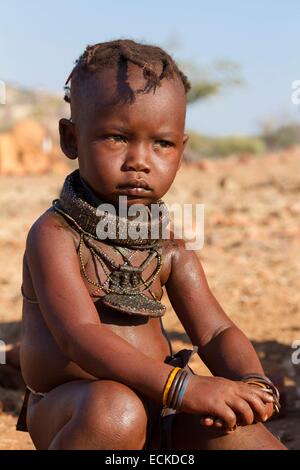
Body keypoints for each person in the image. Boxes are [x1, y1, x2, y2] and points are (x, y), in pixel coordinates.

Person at [17, 39, 286, 450]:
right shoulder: (55, 234)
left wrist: (252, 384)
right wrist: (183, 388)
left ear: (182, 149)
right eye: (116, 138)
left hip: (161, 407)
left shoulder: (169, 246)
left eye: (162, 143)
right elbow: (79, 335)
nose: (139, 160)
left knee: (241, 432)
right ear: (71, 138)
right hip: (75, 410)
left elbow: (215, 332)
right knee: (116, 410)